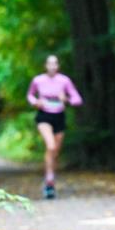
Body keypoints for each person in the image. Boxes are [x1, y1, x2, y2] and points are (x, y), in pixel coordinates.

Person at [27, 54, 83, 199]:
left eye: (55, 64)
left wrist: (67, 99)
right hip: (44, 116)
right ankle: (50, 179)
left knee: (55, 152)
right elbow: (30, 95)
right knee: (51, 146)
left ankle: (48, 181)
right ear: (46, 65)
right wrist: (35, 102)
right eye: (50, 63)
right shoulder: (38, 80)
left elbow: (77, 99)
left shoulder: (64, 81)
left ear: (58, 66)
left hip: (59, 117)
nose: (52, 66)